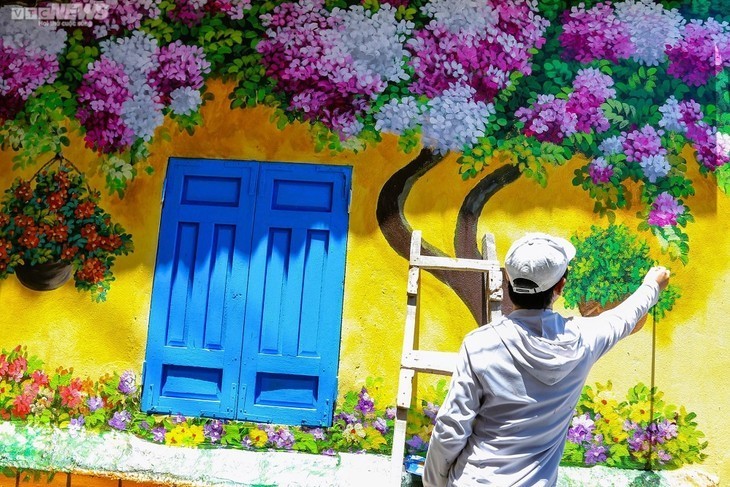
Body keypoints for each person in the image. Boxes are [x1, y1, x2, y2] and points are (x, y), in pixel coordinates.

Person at [423, 233, 670, 487]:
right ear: (560, 287)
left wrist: (433, 484)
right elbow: (624, 317)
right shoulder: (584, 340)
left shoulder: (480, 344)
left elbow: (451, 427)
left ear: (507, 282)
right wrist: (652, 284)